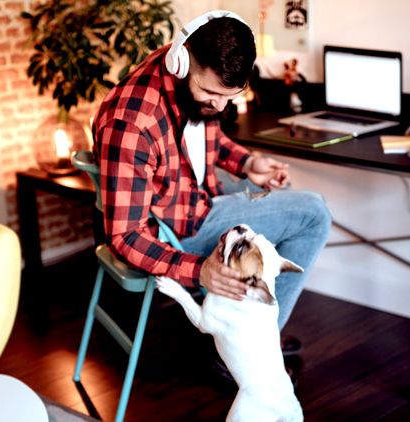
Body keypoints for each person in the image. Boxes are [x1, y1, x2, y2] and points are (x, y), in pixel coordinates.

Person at [92, 11, 331, 378]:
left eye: (229, 97)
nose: (219, 106)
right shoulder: (132, 123)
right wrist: (198, 270)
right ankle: (251, 348)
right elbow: (124, 236)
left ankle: (248, 332)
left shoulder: (184, 74)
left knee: (288, 198)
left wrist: (248, 163)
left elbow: (204, 135)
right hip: (176, 228)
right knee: (313, 213)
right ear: (182, 61)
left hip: (194, 195)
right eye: (210, 94)